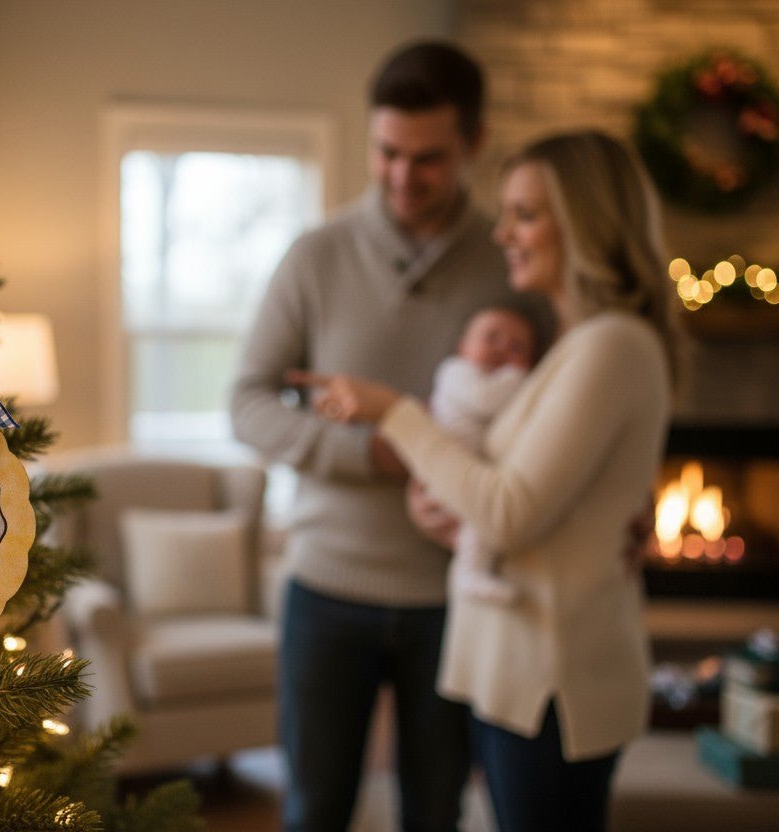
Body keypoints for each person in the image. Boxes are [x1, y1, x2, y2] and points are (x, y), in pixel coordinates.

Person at [291, 130, 683, 832]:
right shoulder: (577, 345)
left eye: (526, 214)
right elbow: (521, 498)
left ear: (588, 223)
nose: (503, 233)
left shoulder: (612, 346)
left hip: (554, 678)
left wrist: (397, 414)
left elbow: (508, 512)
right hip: (520, 670)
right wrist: (448, 513)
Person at [230, 40, 548, 832]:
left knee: (435, 810)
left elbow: (551, 418)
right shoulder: (315, 256)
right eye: (387, 152)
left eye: (429, 158)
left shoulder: (514, 268)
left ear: (474, 143)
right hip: (326, 590)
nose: (403, 176)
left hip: (458, 596)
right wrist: (371, 450)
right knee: (314, 808)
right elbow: (245, 403)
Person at [428, 303, 537, 604]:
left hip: (472, 469)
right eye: (491, 338)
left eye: (517, 347)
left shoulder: (498, 385)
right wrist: (521, 378)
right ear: (463, 347)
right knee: (478, 518)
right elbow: (485, 400)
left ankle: (470, 571)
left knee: (476, 524)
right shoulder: (455, 372)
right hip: (449, 464)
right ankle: (469, 575)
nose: (503, 349)